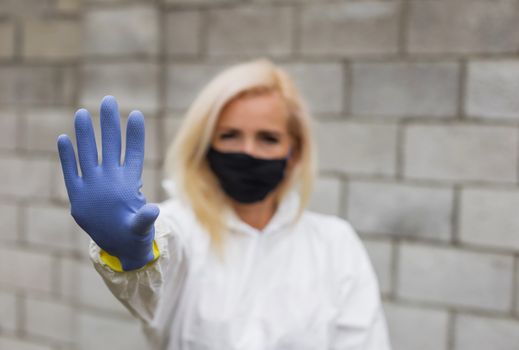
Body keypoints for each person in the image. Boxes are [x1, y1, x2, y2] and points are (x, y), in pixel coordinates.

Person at [57, 58, 392, 350]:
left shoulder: (334, 244)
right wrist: (133, 255)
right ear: (205, 145)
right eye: (229, 135)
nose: (248, 151)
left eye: (268, 138)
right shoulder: (178, 227)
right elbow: (155, 273)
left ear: (295, 154)